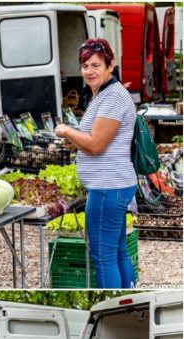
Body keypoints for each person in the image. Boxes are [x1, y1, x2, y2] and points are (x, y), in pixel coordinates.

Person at [54, 38, 137, 289]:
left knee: (104, 259)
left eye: (96, 65)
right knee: (118, 252)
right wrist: (76, 142)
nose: (89, 71)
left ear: (110, 66)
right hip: (113, 185)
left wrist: (67, 131)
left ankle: (114, 305)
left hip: (107, 188)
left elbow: (96, 145)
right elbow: (96, 141)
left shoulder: (113, 97)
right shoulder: (104, 93)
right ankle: (127, 300)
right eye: (84, 66)